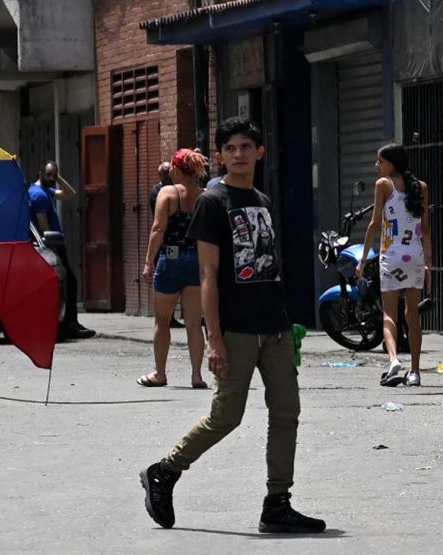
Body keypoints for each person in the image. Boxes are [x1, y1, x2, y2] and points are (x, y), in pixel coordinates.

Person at [139, 117, 325, 534]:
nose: (238, 154)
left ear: (259, 152)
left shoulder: (262, 199)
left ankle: (277, 503)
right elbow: (207, 274)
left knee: (286, 412)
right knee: (226, 416)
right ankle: (165, 471)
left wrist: (288, 324)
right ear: (220, 156)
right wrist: (214, 339)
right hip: (236, 329)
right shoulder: (212, 201)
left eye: (245, 146)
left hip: (274, 326)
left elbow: (269, 263)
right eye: (230, 148)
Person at [357, 144, 432, 387]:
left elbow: (374, 224)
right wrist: (429, 261)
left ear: (392, 163)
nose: (376, 166)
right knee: (412, 314)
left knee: (390, 314)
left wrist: (362, 260)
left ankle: (393, 360)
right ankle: (415, 372)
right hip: (415, 256)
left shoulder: (383, 185)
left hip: (391, 255)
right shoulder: (421, 187)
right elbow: (425, 228)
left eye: (380, 161)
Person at [138, 149, 208, 389]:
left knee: (162, 320)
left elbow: (158, 229)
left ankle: (160, 373)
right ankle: (197, 375)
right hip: (196, 260)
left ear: (176, 170)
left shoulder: (168, 193)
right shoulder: (204, 196)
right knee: (194, 323)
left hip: (171, 259)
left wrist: (148, 262)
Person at [29, 161, 96, 340]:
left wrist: (58, 178)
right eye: (49, 175)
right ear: (40, 173)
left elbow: (70, 194)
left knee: (68, 282)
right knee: (69, 282)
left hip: (54, 242)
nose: (52, 178)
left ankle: (68, 321)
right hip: (52, 244)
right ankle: (69, 322)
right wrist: (52, 246)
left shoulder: (45, 190)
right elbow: (43, 225)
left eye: (54, 174)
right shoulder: (39, 195)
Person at [149, 161, 185, 329]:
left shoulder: (173, 190)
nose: (167, 176)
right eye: (164, 173)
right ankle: (167, 318)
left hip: (175, 242)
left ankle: (171, 317)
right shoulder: (159, 191)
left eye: (167, 172)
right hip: (164, 243)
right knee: (165, 279)